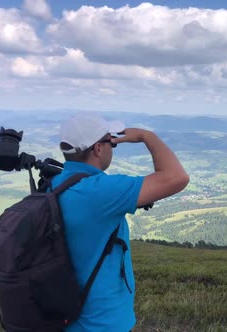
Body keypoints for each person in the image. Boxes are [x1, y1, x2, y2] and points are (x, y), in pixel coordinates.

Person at [51, 113, 189, 332]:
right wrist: (146, 136)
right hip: (101, 323)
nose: (111, 147)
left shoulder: (55, 183)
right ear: (97, 148)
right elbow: (177, 177)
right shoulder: (99, 192)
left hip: (64, 317)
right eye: (110, 142)